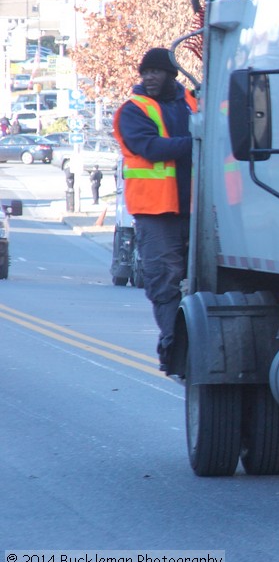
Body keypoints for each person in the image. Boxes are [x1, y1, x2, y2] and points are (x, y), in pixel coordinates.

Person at [112, 47, 196, 371]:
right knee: (164, 280)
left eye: (156, 71)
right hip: (156, 212)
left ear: (171, 74)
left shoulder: (192, 102)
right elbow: (150, 148)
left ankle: (189, 341)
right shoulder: (133, 110)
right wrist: (197, 141)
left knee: (201, 279)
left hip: (196, 208)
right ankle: (172, 343)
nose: (149, 77)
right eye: (145, 72)